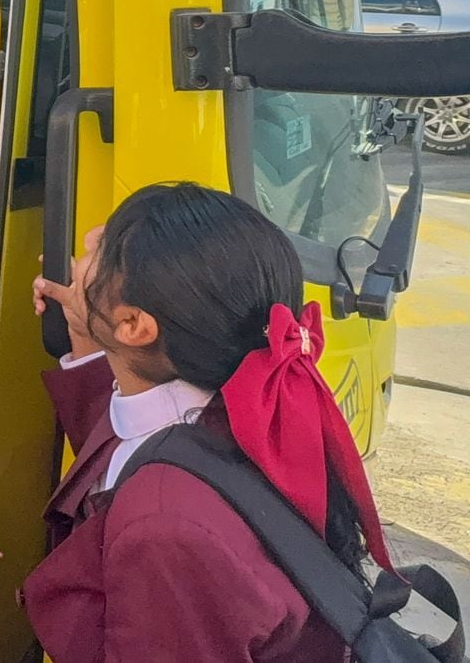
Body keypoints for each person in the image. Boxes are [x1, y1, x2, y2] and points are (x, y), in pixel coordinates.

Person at [22, 183, 394, 662]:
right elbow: (128, 447)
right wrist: (88, 335)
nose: (91, 239)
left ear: (135, 325)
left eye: (107, 246)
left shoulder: (164, 530)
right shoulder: (242, 410)